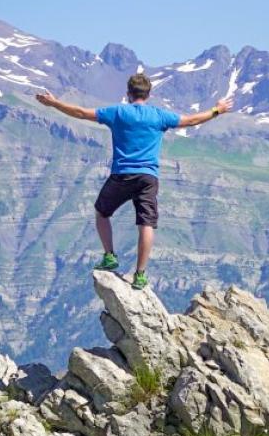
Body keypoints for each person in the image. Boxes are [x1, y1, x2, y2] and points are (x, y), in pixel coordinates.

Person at [36, 73, 233, 289]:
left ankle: (110, 255)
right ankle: (140, 274)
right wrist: (217, 110)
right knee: (146, 224)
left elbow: (81, 113)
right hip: (148, 177)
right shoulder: (159, 116)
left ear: (128, 93)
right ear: (148, 94)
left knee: (101, 212)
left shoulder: (118, 112)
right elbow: (192, 120)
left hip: (122, 174)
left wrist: (54, 104)